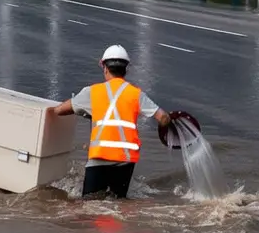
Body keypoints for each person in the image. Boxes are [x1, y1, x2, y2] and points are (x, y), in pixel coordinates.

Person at [52, 44, 172, 199]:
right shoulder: (136, 94)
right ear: (126, 69)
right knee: (116, 204)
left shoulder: (92, 92)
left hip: (100, 159)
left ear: (104, 67)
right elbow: (163, 118)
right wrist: (166, 129)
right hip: (125, 161)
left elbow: (60, 110)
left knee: (88, 206)